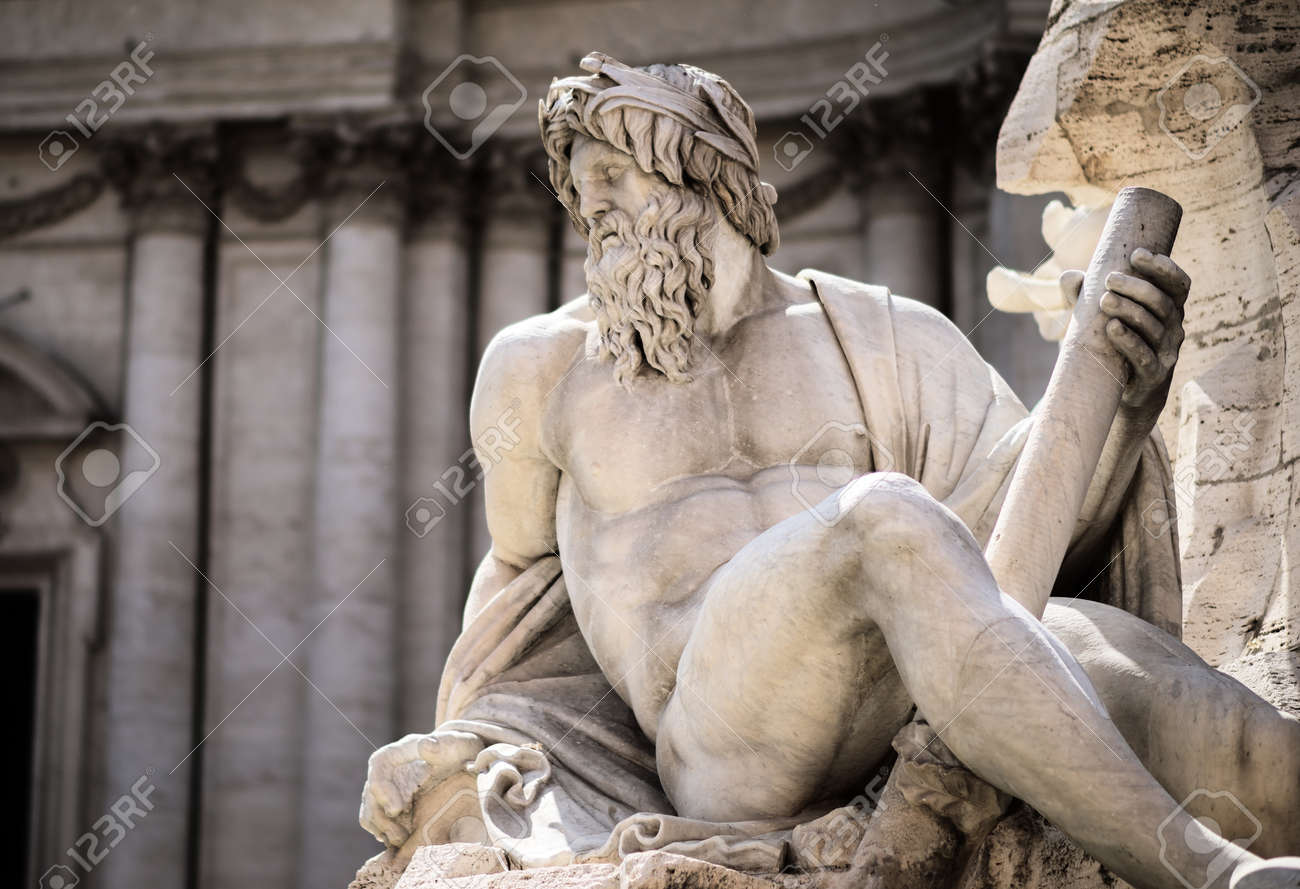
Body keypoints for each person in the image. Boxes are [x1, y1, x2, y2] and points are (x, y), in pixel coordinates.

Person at [363, 54, 1300, 889]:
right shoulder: (542, 367)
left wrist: (1129, 402)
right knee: (883, 515)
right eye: (578, 191)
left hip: (913, 689)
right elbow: (518, 607)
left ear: (704, 175)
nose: (592, 210)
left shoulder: (886, 333)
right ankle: (1209, 873)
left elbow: (1033, 536)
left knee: (1193, 708)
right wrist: (476, 744)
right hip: (721, 747)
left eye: (611, 176)